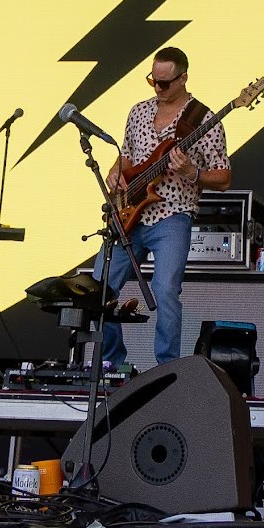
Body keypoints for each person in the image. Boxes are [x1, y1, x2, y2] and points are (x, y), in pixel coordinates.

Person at [98, 46, 231, 370]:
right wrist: (116, 173)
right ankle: (112, 364)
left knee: (165, 290)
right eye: (152, 81)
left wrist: (193, 174)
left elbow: (224, 177)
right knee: (100, 286)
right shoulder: (138, 112)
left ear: (183, 77)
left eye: (164, 83)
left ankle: (166, 369)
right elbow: (127, 155)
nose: (157, 89)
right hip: (131, 214)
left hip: (172, 215)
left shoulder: (205, 120)